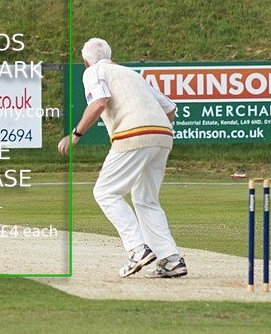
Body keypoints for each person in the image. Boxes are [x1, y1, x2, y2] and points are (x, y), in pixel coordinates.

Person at [57, 38, 187, 278]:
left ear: (85, 61)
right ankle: (171, 259)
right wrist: (152, 129)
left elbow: (99, 102)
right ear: (110, 54)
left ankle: (138, 249)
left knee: (105, 192)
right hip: (162, 135)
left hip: (133, 134)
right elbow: (170, 108)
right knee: (146, 199)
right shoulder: (131, 73)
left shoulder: (93, 71)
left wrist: (76, 134)